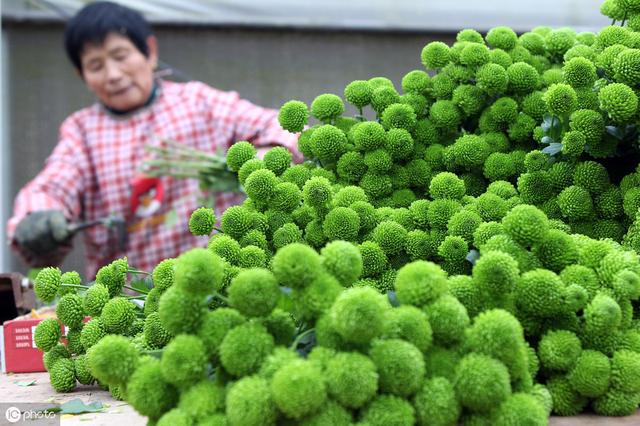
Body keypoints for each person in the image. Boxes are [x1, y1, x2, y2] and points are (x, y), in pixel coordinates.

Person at [7, 1, 300, 279]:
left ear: (149, 50)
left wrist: (261, 159)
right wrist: (40, 218)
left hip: (221, 280)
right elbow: (54, 183)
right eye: (96, 66)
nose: (113, 75)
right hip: (129, 305)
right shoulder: (82, 131)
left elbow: (278, 126)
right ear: (82, 75)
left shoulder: (198, 102)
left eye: (121, 57)